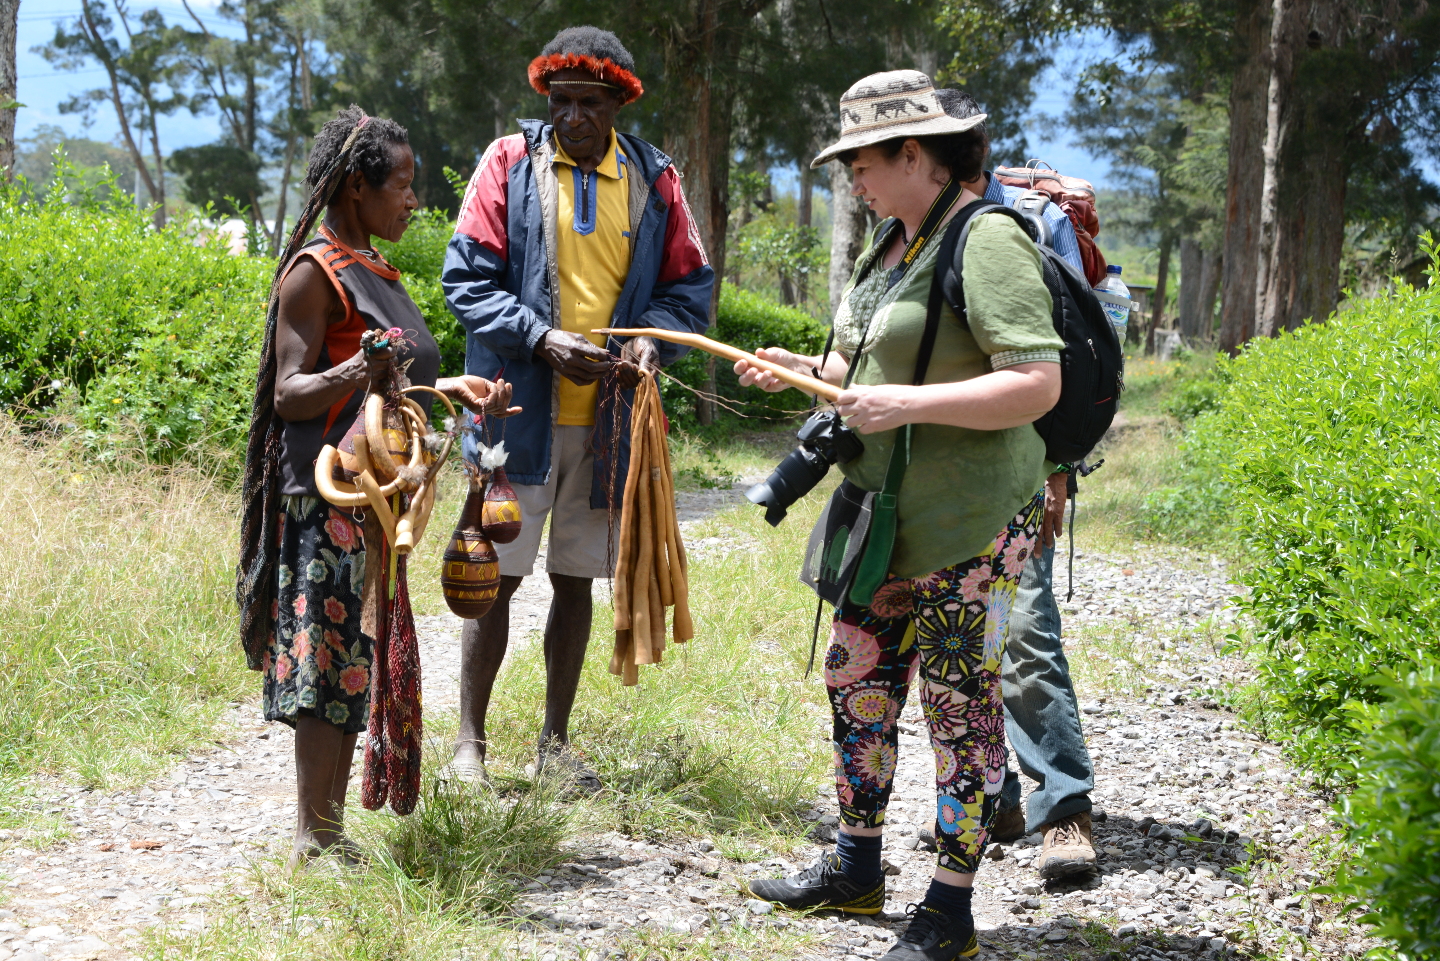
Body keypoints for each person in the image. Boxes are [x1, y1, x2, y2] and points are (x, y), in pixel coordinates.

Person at [737, 70, 1063, 961]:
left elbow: (1038, 382)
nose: (853, 179)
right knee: (859, 685)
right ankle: (856, 868)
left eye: (862, 161)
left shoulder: (986, 239)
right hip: (879, 521)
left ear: (914, 153)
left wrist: (908, 405)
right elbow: (858, 369)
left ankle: (950, 908)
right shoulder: (892, 244)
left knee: (960, 712)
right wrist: (804, 371)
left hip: (969, 525)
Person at [236, 107, 517, 866]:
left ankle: (330, 832)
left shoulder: (373, 271)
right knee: (324, 661)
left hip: (376, 500)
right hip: (327, 498)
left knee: (352, 659)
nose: (412, 200)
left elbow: (397, 378)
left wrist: (456, 388)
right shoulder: (314, 270)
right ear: (358, 188)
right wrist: (360, 366)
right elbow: (290, 392)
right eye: (402, 185)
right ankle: (311, 837)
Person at [442, 26, 714, 790]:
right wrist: (540, 337)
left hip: (607, 424)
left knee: (575, 578)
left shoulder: (655, 178)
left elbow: (689, 292)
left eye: (589, 103)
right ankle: (470, 743)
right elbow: (465, 282)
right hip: (513, 416)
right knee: (491, 575)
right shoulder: (507, 164)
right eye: (560, 102)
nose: (573, 117)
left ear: (619, 102)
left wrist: (651, 346)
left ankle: (554, 745)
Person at [934, 89, 1099, 878]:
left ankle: (1064, 808)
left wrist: (1061, 475)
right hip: (929, 478)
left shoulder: (1034, 225)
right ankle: (991, 794)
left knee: (1027, 632)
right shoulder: (904, 229)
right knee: (960, 646)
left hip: (1017, 472)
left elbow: (1061, 360)